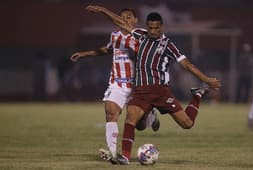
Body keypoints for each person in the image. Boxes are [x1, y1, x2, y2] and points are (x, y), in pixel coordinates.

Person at [86, 5, 221, 165]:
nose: (153, 31)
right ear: (147, 26)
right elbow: (120, 22)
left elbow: (187, 65)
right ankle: (125, 157)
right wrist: (102, 10)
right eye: (150, 28)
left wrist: (206, 80)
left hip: (161, 92)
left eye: (156, 28)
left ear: (161, 27)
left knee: (187, 124)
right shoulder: (140, 36)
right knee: (130, 120)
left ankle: (197, 95)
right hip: (141, 91)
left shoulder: (168, 45)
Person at [70, 8, 160, 162]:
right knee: (110, 113)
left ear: (135, 20)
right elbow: (108, 50)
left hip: (137, 86)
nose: (125, 19)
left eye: (129, 17)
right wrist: (84, 54)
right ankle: (113, 154)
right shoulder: (115, 36)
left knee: (139, 126)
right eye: (122, 17)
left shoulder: (141, 35)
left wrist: (101, 10)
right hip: (117, 83)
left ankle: (150, 115)